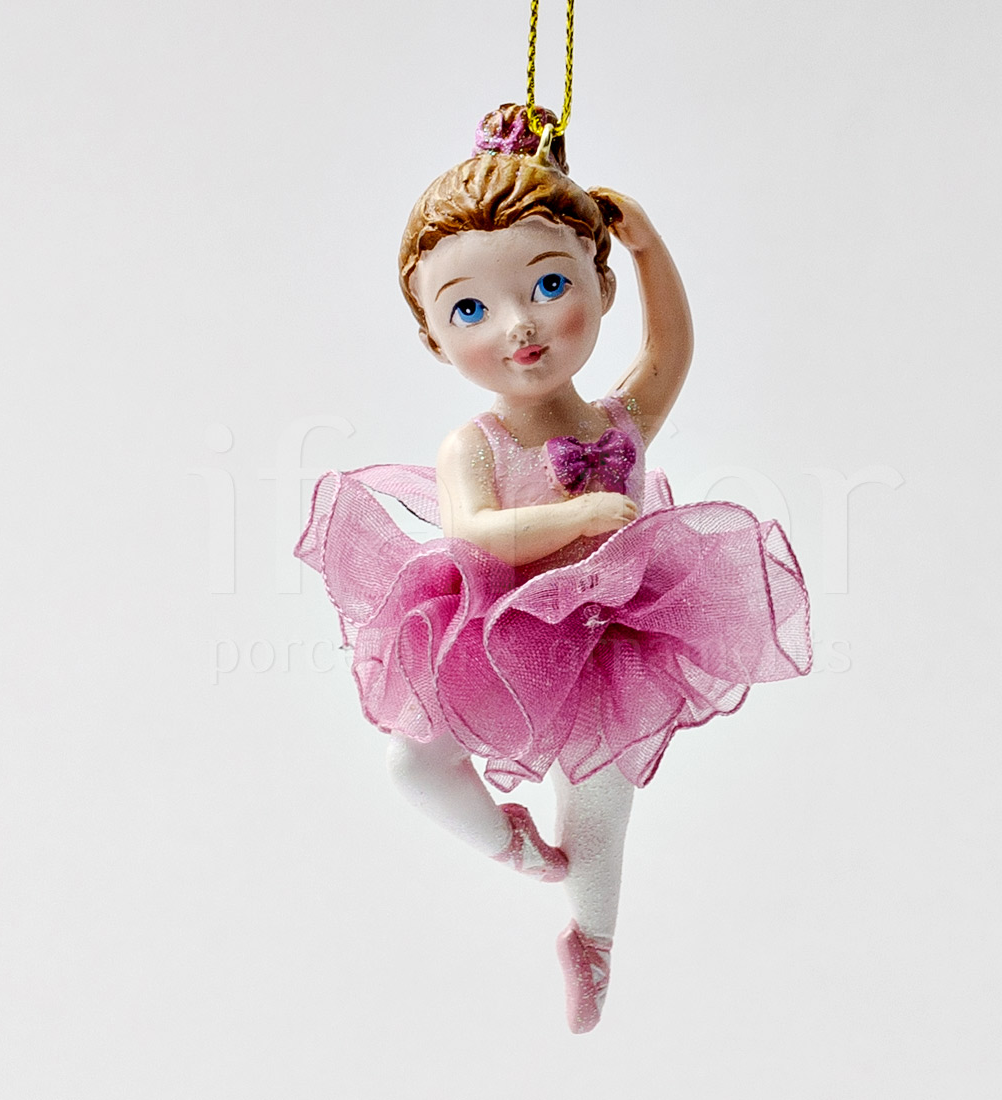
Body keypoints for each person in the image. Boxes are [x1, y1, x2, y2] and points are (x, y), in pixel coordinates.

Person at [296, 104, 811, 1033]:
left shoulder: (621, 421)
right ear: (432, 337)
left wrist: (646, 247)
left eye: (548, 284)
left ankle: (594, 941)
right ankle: (510, 845)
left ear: (599, 287)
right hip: (500, 635)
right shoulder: (474, 443)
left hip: (615, 639)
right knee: (413, 762)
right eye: (469, 309)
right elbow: (473, 530)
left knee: (604, 804)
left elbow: (671, 350)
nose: (518, 326)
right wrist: (573, 516)